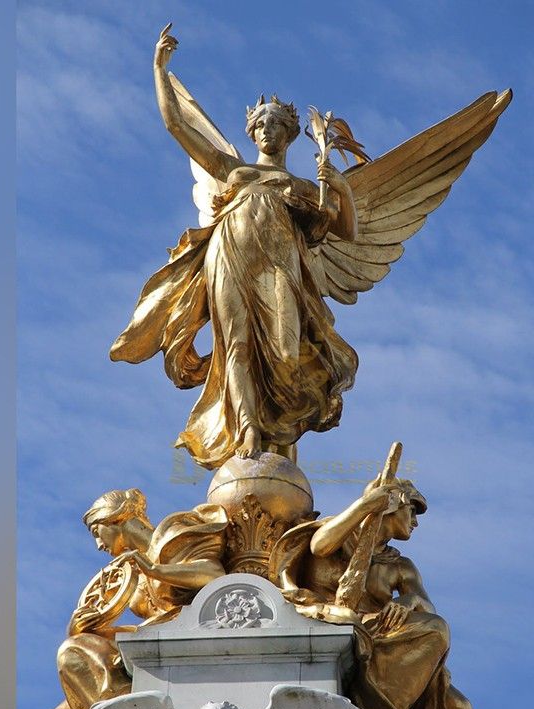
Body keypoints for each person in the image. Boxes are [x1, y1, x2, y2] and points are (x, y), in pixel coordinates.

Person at [110, 26, 358, 468]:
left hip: (278, 266)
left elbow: (342, 231)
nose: (267, 130)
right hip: (229, 258)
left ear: (290, 133)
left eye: (276, 124)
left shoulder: (300, 185)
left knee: (286, 351)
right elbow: (175, 124)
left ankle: (280, 427)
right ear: (251, 131)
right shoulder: (232, 171)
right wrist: (159, 71)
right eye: (259, 124)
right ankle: (246, 429)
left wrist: (340, 188)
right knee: (236, 347)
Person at [269, 478, 473, 709]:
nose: (415, 522)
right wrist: (365, 505)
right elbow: (319, 546)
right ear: (391, 504)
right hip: (328, 617)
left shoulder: (400, 565)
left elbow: (427, 606)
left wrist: (410, 601)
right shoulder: (343, 535)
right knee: (421, 630)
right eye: (411, 511)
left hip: (379, 631)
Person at [45, 488, 228, 709]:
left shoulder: (170, 536)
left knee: (70, 651)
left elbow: (215, 575)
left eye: (99, 533)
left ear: (116, 520)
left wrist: (154, 569)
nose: (100, 545)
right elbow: (145, 627)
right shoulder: (129, 574)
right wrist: (81, 628)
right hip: (154, 641)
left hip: (188, 639)